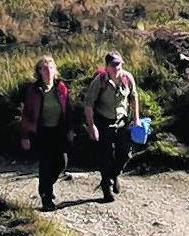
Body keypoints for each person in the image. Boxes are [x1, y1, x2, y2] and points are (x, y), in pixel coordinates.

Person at [18, 55, 75, 210]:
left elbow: (68, 110)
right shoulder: (34, 90)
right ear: (39, 72)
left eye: (50, 67)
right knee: (46, 163)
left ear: (54, 70)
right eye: (44, 68)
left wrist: (70, 129)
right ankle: (47, 198)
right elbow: (27, 113)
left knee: (62, 162)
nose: (48, 71)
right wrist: (24, 135)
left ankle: (45, 186)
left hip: (59, 130)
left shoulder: (61, 87)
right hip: (42, 131)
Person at [83, 49, 140, 202]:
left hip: (122, 121)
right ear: (107, 66)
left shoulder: (128, 78)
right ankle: (106, 187)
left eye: (119, 65)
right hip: (103, 121)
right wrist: (92, 126)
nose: (117, 68)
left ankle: (114, 174)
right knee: (105, 156)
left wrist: (136, 119)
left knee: (125, 153)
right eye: (113, 65)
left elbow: (134, 98)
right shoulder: (99, 82)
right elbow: (88, 104)